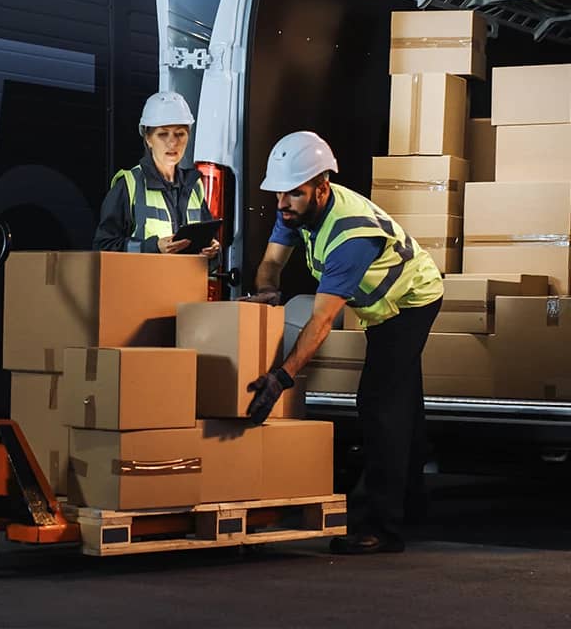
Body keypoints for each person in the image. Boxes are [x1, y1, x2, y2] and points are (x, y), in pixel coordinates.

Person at [244, 131, 443, 555]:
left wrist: (282, 377)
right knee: (402, 400)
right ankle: (414, 503)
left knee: (379, 404)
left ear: (322, 187)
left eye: (293, 195)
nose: (282, 205)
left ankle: (380, 528)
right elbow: (271, 263)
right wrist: (265, 290)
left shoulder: (350, 238)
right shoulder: (294, 207)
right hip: (382, 304)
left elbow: (323, 319)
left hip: (410, 301)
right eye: (279, 195)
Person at [93, 91, 220, 260]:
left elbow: (210, 257)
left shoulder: (194, 187)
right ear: (148, 138)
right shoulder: (129, 185)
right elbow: (103, 247)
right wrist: (153, 247)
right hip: (144, 286)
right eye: (163, 134)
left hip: (185, 285)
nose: (173, 142)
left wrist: (212, 252)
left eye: (180, 134)